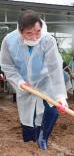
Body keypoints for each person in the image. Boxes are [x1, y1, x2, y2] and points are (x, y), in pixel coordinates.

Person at [0, 10, 68, 150]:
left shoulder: (47, 40)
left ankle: (43, 137)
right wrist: (19, 82)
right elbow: (7, 65)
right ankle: (31, 139)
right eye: (29, 33)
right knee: (27, 113)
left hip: (45, 79)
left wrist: (60, 95)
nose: (34, 37)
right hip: (24, 83)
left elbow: (54, 68)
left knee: (52, 109)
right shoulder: (9, 41)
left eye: (37, 32)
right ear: (20, 31)